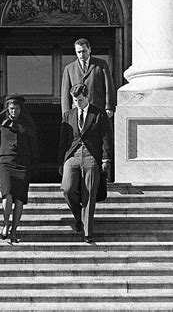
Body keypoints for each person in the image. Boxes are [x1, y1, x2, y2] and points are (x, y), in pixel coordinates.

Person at [58, 84, 111, 244]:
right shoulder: (68, 115)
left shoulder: (99, 114)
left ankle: (88, 232)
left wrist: (105, 158)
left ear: (87, 97)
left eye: (80, 100)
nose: (77, 103)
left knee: (89, 194)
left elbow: (106, 137)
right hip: (72, 156)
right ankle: (78, 217)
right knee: (67, 189)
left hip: (91, 156)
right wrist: (61, 161)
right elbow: (63, 141)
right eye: (75, 100)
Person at [0, 94, 39, 243]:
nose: (14, 111)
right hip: (5, 161)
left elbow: (33, 144)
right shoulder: (0, 121)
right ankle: (6, 223)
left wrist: (35, 164)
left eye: (16, 108)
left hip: (23, 162)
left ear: (21, 109)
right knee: (7, 193)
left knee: (20, 198)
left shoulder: (28, 124)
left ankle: (14, 230)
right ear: (7, 109)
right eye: (11, 109)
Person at [61, 37, 116, 118]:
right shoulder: (69, 68)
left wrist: (109, 107)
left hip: (97, 111)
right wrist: (66, 113)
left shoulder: (101, 64)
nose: (81, 54)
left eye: (84, 51)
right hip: (77, 112)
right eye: (79, 52)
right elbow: (65, 93)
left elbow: (109, 86)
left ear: (89, 49)